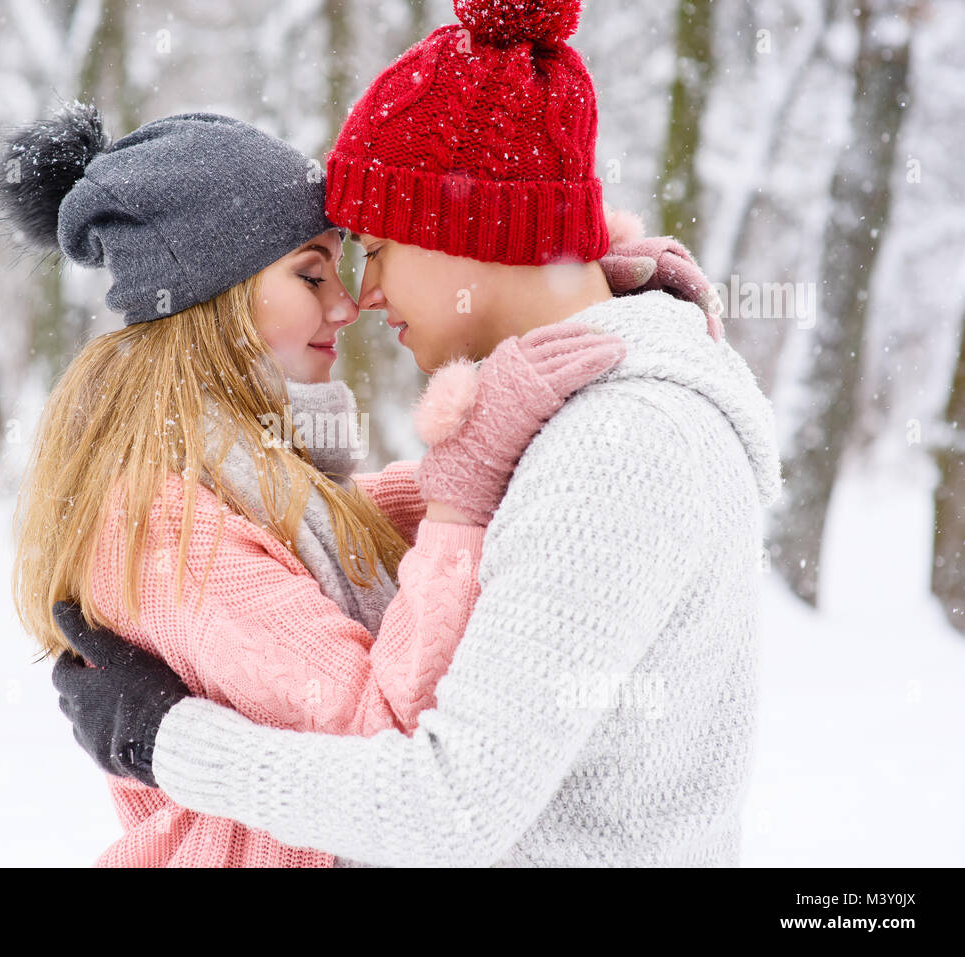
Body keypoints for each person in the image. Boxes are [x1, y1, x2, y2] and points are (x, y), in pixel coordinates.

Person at [50, 0, 783, 867]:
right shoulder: (592, 417)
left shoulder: (616, 449)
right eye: (323, 266)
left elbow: (441, 809)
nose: (363, 294)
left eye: (373, 245)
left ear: (458, 227)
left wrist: (166, 741)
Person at [0, 103, 629, 866]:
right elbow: (388, 744)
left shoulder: (233, 473)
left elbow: (349, 520)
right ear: (217, 300)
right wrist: (463, 493)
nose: (348, 303)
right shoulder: (166, 521)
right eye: (311, 271)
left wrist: (598, 293)